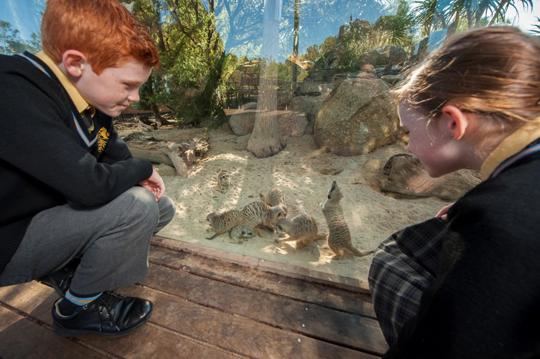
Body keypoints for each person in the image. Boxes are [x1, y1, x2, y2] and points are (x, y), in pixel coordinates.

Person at [0, 0, 176, 337]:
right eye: (127, 85)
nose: (135, 98)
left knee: (160, 208)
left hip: (46, 216)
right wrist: (143, 168)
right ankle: (77, 309)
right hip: (9, 237)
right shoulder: (12, 89)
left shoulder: (90, 102)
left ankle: (69, 269)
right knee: (137, 208)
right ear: (76, 63)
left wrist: (135, 171)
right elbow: (90, 185)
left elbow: (117, 157)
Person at [368, 26, 540, 358]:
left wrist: (482, 218)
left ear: (453, 123)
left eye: (408, 132)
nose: (407, 144)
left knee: (393, 259)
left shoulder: (502, 222)